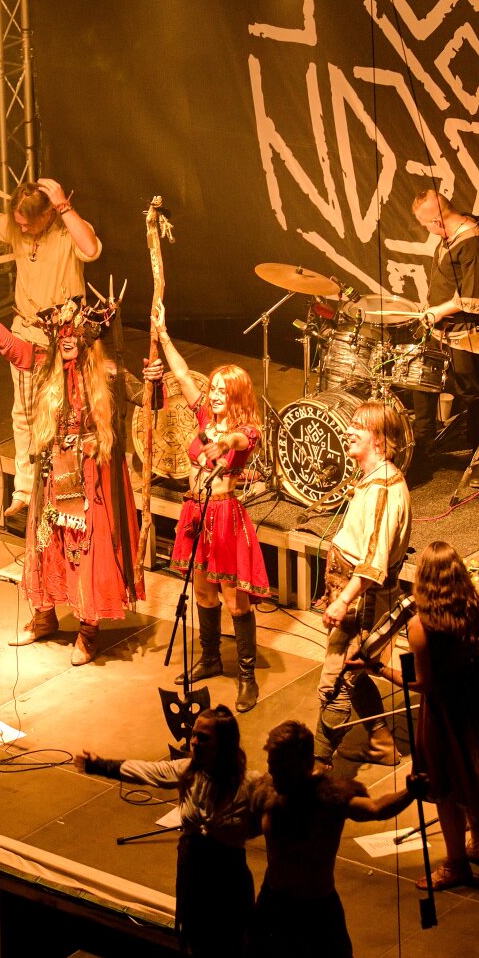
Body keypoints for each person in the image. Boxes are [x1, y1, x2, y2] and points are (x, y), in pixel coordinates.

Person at [0, 280, 142, 664]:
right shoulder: (47, 366)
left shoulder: (109, 373)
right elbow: (12, 348)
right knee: (46, 544)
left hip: (91, 476)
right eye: (62, 332)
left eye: (73, 332)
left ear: (87, 337)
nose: (67, 338)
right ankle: (44, 617)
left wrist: (157, 377)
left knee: (88, 550)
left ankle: (88, 630)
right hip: (53, 472)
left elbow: (149, 398)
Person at [355, 540, 479, 891]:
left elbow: (424, 684)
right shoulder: (472, 606)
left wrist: (380, 669)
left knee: (445, 786)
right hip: (477, 697)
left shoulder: (422, 625)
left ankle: (456, 865)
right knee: (472, 772)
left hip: (446, 709)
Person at [0, 178, 100, 526]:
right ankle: (25, 491)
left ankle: (67, 495)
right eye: (18, 222)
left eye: (27, 222)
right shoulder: (18, 229)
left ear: (47, 214)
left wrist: (63, 205)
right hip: (26, 336)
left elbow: (90, 249)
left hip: (64, 341)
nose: (22, 228)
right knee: (23, 416)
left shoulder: (66, 231)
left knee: (65, 418)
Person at [77, 705, 266, 958]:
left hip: (226, 880)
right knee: (197, 943)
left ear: (224, 744)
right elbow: (147, 771)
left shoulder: (249, 784)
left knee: (230, 947)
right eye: (194, 735)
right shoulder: (188, 770)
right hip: (193, 873)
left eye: (203, 738)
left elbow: (280, 809)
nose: (194, 742)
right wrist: (100, 765)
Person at [150, 302, 271, 712]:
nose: (215, 395)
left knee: (234, 600)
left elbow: (238, 441)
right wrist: (163, 334)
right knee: (202, 592)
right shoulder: (203, 415)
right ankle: (211, 658)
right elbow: (183, 374)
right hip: (195, 512)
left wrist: (223, 443)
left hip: (225, 516)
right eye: (214, 389)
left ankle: (247, 676)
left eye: (223, 391)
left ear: (236, 396)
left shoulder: (247, 430)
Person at [244, 720, 428, 958]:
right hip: (273, 902)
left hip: (316, 909)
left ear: (305, 764)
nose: (274, 773)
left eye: (282, 767)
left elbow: (375, 808)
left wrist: (410, 793)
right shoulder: (268, 792)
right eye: (272, 764)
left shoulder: (328, 799)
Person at [313, 400, 412, 768]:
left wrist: (343, 601)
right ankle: (382, 742)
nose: (348, 430)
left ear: (380, 440)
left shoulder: (384, 490)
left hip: (362, 602)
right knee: (353, 670)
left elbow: (373, 565)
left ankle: (317, 763)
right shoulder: (372, 481)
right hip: (350, 596)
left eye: (358, 426)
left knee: (337, 681)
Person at [408, 190, 479, 474]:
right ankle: (422, 449)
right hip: (439, 329)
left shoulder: (473, 242)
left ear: (437, 221)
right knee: (422, 383)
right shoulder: (450, 235)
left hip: (464, 333)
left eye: (427, 225)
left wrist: (440, 311)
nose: (428, 231)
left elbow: (475, 297)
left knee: (470, 395)